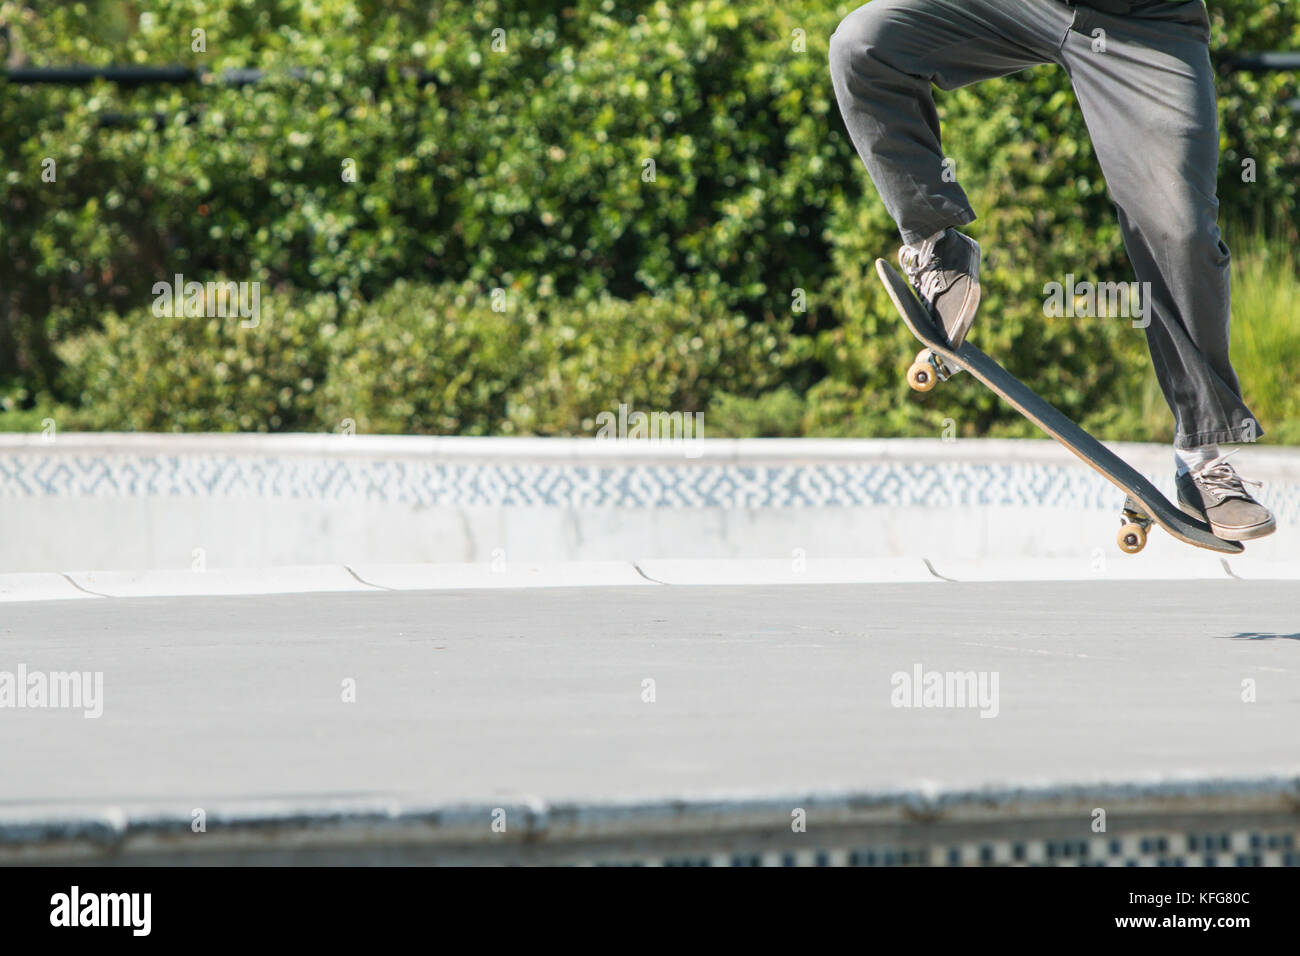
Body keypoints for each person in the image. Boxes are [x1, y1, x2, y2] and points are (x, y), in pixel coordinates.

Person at [829, 0, 1275, 540]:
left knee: (1180, 231)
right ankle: (935, 247)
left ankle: (1201, 458)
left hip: (1149, 25)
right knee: (864, 44)